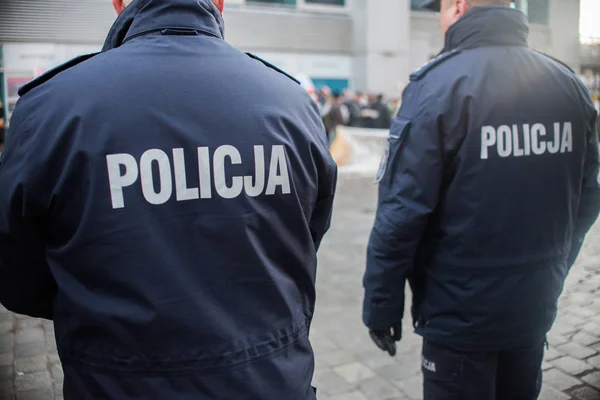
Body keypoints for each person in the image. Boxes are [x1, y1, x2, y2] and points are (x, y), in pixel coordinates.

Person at [0, 0, 337, 399]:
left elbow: (17, 272)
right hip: (271, 380)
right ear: (221, 2)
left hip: (119, 382)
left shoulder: (52, 107)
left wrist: (88, 302)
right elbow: (304, 239)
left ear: (118, 2)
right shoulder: (292, 103)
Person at [362, 0, 600, 399]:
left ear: (457, 7)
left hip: (459, 319)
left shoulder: (437, 86)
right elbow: (588, 195)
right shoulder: (567, 84)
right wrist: (553, 265)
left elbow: (401, 215)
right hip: (532, 305)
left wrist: (381, 306)